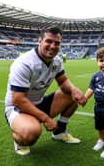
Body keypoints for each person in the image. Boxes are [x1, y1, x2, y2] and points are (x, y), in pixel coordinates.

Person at [5, 26, 87, 155]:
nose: (53, 46)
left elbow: (63, 81)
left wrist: (73, 89)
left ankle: (59, 133)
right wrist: (46, 119)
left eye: (57, 43)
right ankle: (19, 140)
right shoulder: (24, 63)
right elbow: (18, 100)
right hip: (18, 109)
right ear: (40, 41)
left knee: (72, 95)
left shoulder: (57, 61)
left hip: (40, 103)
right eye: (49, 41)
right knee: (31, 133)